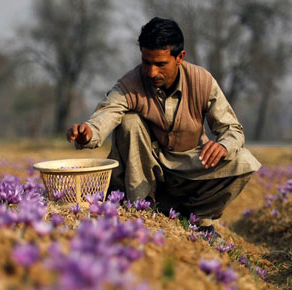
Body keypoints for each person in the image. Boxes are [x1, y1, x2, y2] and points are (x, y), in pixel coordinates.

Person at [67, 17, 261, 234]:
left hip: (189, 166)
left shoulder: (202, 81)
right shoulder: (129, 85)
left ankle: (197, 216)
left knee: (244, 161)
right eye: (146, 62)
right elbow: (106, 114)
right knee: (129, 122)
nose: (151, 72)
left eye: (160, 64)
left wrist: (223, 145)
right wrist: (89, 132)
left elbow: (232, 129)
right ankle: (142, 209)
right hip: (146, 169)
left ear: (180, 58)